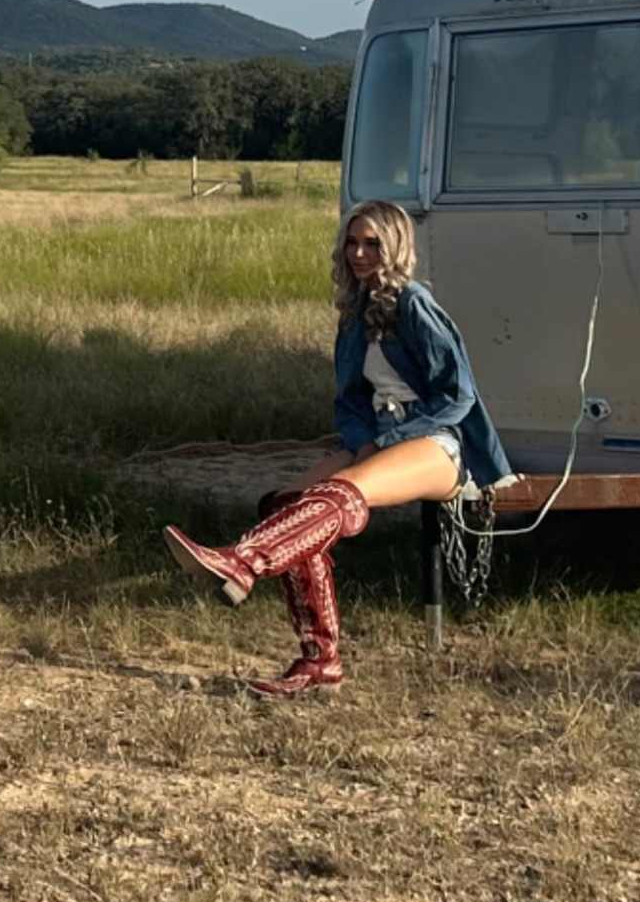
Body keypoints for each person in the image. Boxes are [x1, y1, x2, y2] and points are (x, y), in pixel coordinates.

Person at [161, 200, 516, 696]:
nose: (359, 253)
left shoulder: (414, 304)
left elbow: (458, 395)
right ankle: (319, 661)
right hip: (381, 441)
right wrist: (365, 443)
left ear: (395, 247)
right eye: (352, 242)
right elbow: (349, 402)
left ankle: (242, 562)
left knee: (342, 491)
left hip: (437, 443)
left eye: (372, 243)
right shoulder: (354, 317)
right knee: (288, 502)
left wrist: (389, 442)